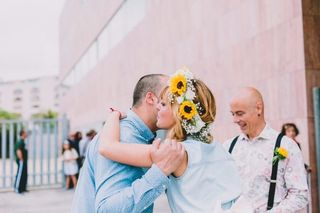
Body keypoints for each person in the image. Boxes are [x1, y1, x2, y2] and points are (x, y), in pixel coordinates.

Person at [99, 69, 244, 212]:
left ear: (178, 111)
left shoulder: (174, 152)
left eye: (163, 104)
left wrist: (114, 116)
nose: (157, 107)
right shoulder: (218, 148)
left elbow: (107, 147)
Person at [72, 74, 185, 213]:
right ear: (151, 98)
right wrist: (160, 172)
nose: (177, 103)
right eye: (170, 96)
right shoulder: (125, 136)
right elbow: (107, 210)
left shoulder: (128, 133)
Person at [224, 87, 309, 212]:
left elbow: (300, 194)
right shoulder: (228, 146)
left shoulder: (286, 145)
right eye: (233, 114)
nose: (235, 120)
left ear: (259, 108)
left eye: (240, 113)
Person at [14, 129, 28, 194]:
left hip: (24, 160)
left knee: (24, 174)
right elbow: (18, 151)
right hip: (21, 161)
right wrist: (21, 159)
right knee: (20, 174)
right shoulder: (20, 142)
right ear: (22, 134)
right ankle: (17, 189)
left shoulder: (23, 142)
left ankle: (23, 188)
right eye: (25, 133)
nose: (27, 134)